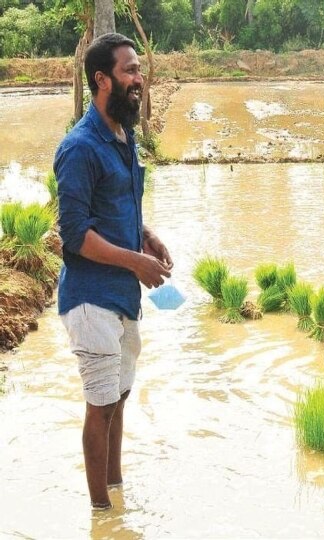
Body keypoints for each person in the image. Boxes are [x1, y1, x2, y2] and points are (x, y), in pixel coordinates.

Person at [54, 33, 173, 511]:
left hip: (122, 295)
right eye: (129, 71)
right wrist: (135, 262)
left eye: (139, 70)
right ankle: (101, 514)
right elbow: (75, 236)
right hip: (90, 299)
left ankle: (117, 492)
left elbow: (117, 202)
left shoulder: (125, 136)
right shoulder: (79, 148)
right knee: (100, 404)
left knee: (119, 398)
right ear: (101, 79)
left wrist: (144, 234)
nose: (139, 79)